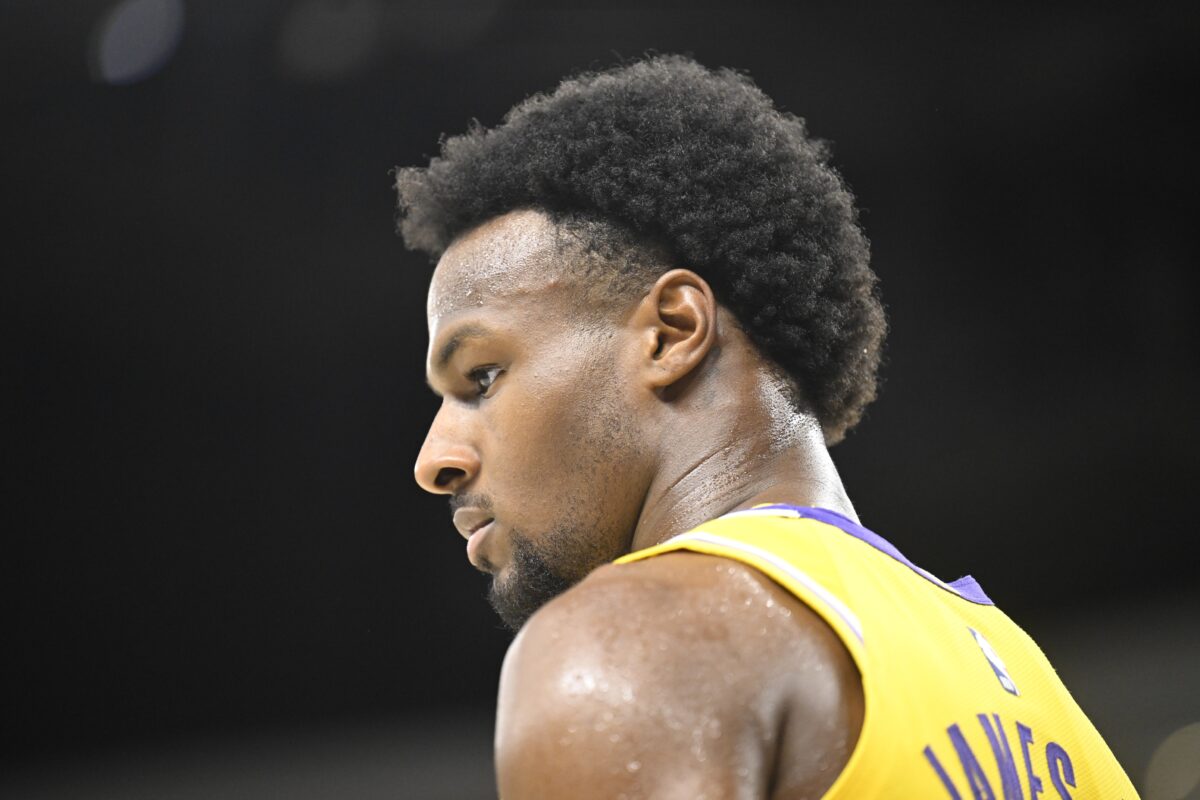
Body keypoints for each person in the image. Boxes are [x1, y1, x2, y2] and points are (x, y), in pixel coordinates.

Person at [395, 56, 1137, 799]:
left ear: (671, 332)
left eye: (481, 377)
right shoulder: (1038, 690)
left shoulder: (631, 640)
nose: (434, 459)